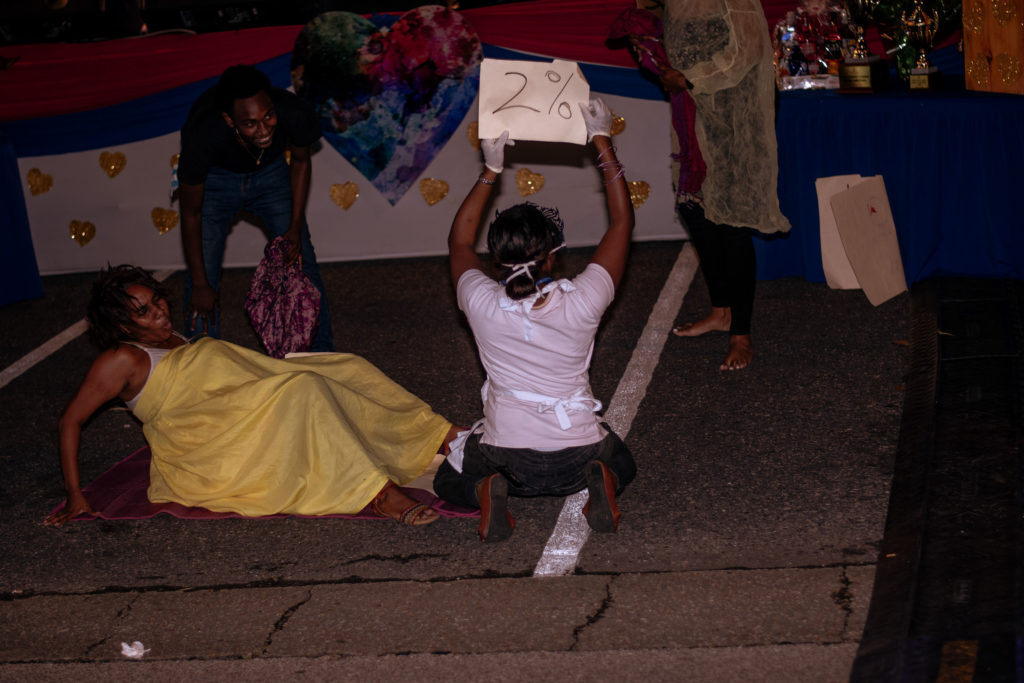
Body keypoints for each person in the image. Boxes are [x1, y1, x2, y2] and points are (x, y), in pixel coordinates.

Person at [45, 265, 457, 527]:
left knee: (345, 366)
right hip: (208, 448)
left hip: (235, 413)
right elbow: (70, 420)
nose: (161, 312)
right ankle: (379, 494)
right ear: (122, 324)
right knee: (305, 389)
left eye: (158, 301)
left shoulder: (166, 335)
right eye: (144, 312)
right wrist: (75, 494)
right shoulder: (120, 359)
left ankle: (439, 436)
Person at [432, 99, 637, 542]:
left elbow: (458, 241)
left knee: (447, 480)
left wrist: (490, 170)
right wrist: (602, 140)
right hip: (578, 451)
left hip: (508, 457)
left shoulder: (480, 301)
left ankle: (486, 489)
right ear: (551, 255)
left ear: (496, 257)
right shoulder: (584, 299)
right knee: (621, 460)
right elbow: (621, 223)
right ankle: (603, 479)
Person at [610, 2, 790, 371]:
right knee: (697, 213)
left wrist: (689, 79)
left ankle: (741, 332)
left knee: (732, 222)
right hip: (693, 115)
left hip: (733, 116)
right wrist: (645, 36)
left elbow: (748, 48)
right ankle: (722, 312)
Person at [177, 64, 334, 351]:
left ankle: (321, 355)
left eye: (268, 116)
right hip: (216, 180)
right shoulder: (202, 132)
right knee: (203, 275)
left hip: (271, 174)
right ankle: (202, 361)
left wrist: (294, 227)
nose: (263, 130)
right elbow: (191, 213)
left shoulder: (293, 112)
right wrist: (200, 283)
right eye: (250, 123)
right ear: (229, 120)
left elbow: (300, 161)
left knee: (302, 260)